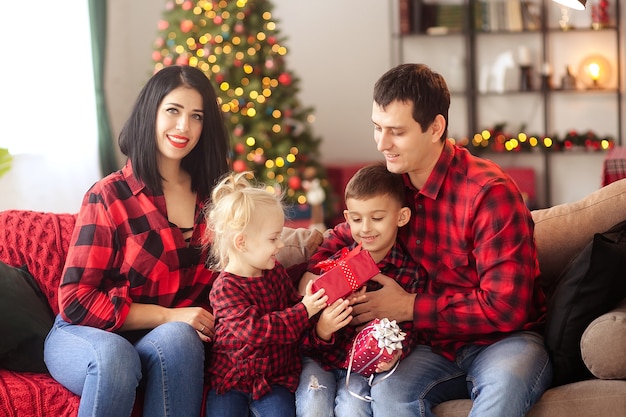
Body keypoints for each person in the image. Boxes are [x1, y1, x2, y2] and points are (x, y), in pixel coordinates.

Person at [304, 63, 552, 417]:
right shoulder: (392, 190)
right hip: (432, 346)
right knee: (388, 393)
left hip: (503, 342)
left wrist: (407, 306)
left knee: (503, 389)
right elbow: (341, 238)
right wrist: (310, 278)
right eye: (377, 128)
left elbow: (505, 308)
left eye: (396, 132)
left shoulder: (488, 193)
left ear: (435, 127)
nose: (381, 143)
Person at [44, 65, 231, 417]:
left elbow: (249, 264)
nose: (183, 127)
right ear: (151, 114)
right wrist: (168, 314)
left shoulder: (217, 199)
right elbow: (75, 301)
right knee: (117, 356)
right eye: (173, 111)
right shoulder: (109, 195)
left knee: (180, 338)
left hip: (160, 338)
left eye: (196, 116)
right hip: (87, 334)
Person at [296, 162, 422, 417]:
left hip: (361, 369)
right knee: (314, 403)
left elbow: (412, 330)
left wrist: (397, 352)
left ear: (402, 217)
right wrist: (323, 330)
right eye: (356, 219)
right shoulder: (334, 264)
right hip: (320, 358)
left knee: (354, 408)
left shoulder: (409, 273)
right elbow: (301, 326)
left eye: (376, 218)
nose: (365, 228)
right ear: (346, 219)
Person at [203, 171, 331, 417]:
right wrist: (304, 310)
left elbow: (294, 308)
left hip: (275, 379)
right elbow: (255, 331)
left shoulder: (275, 272)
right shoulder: (225, 288)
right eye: (274, 238)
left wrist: (314, 305)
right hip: (231, 381)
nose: (281, 245)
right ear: (242, 243)